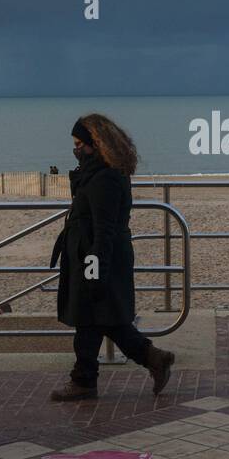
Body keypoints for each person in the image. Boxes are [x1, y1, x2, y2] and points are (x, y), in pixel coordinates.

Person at [49, 114, 175, 401]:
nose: (76, 149)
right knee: (100, 320)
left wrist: (95, 270)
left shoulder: (104, 178)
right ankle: (151, 359)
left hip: (96, 258)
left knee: (93, 320)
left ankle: (85, 381)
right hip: (94, 257)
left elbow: (103, 230)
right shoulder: (99, 173)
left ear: (95, 143)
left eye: (80, 143)